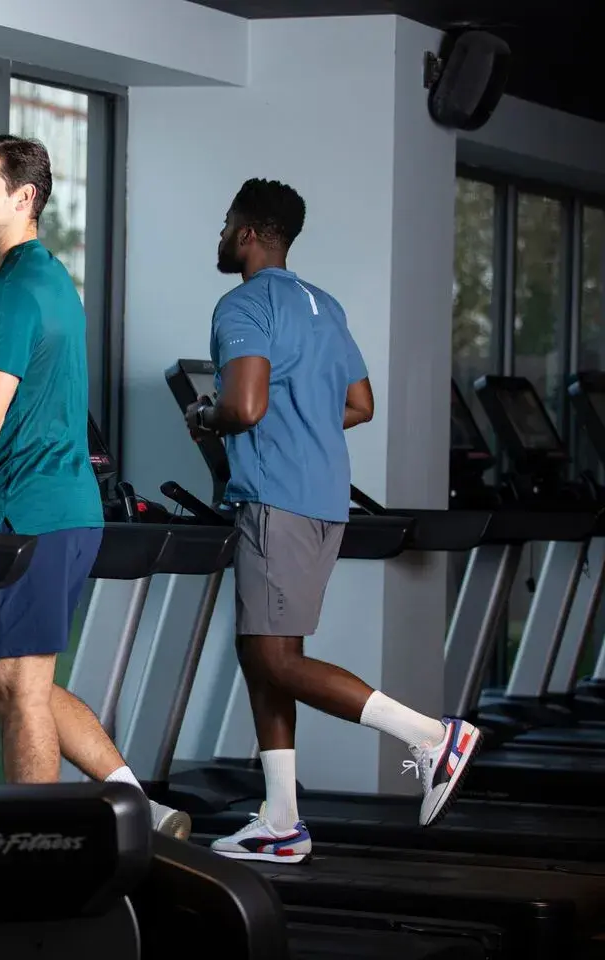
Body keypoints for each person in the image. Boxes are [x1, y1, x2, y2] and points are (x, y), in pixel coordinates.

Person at [0, 134, 191, 840]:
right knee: (30, 683)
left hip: (27, 515)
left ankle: (35, 852)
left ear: (24, 198)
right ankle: (139, 807)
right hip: (65, 511)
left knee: (18, 691)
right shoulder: (54, 279)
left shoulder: (11, 292)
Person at [185, 178, 481, 864]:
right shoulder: (324, 305)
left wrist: (204, 414)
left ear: (251, 232)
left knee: (272, 657)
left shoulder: (244, 304)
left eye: (228, 224)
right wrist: (300, 426)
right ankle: (281, 820)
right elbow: (359, 403)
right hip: (322, 501)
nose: (222, 236)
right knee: (264, 657)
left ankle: (433, 738)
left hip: (276, 501)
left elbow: (246, 408)